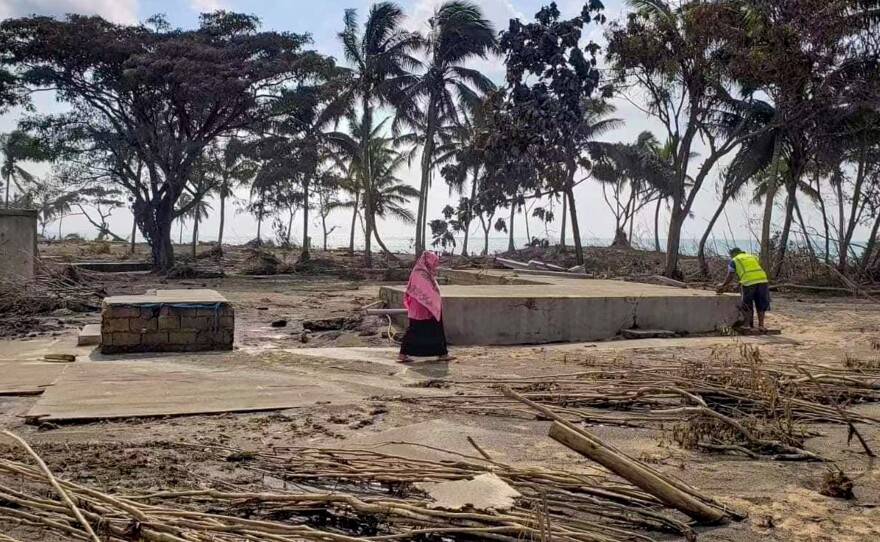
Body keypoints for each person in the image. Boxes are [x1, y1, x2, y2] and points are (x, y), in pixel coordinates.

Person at [398, 251, 454, 363]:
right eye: (434, 262)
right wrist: (433, 302)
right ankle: (402, 355)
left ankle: (442, 353)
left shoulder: (426, 272)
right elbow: (424, 291)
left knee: (435, 330)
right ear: (428, 261)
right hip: (421, 307)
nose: (435, 265)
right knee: (415, 330)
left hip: (429, 307)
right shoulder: (419, 273)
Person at [717, 247, 771, 332]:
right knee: (761, 303)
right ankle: (761, 326)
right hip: (763, 280)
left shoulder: (734, 260)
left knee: (747, 304)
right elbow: (751, 270)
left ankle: (747, 325)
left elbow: (730, 276)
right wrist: (739, 283)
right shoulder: (752, 257)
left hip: (748, 282)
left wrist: (723, 285)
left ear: (733, 254)